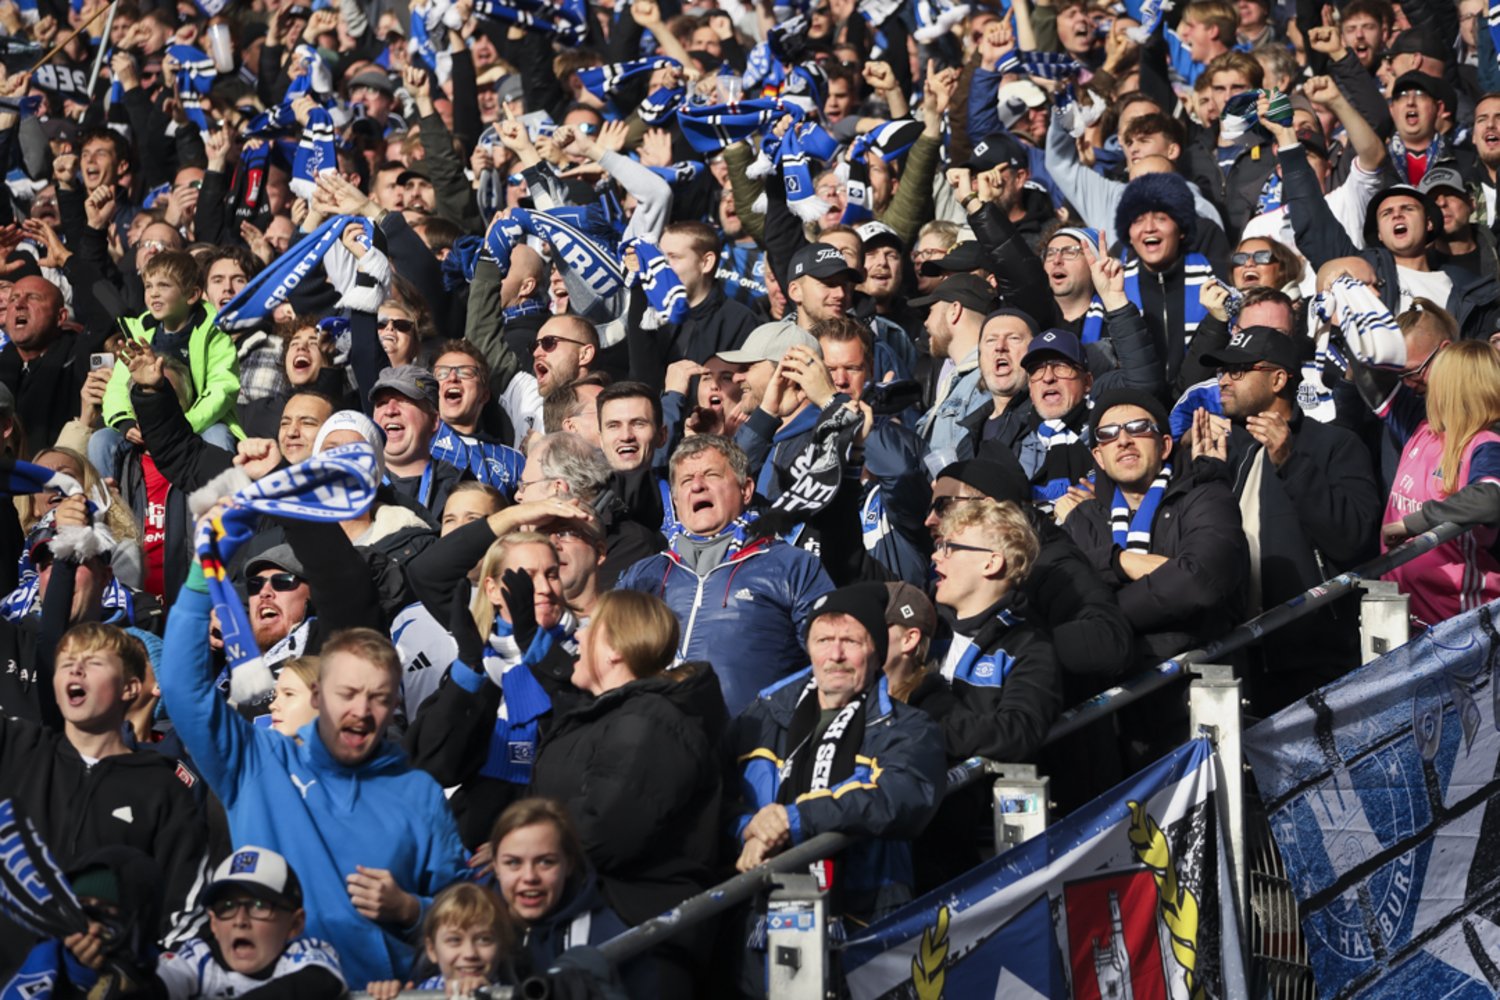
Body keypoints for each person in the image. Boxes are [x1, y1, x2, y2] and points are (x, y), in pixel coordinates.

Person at [159, 548, 467, 984]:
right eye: (347, 693)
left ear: (396, 704)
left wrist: (410, 909)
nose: (361, 710)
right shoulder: (256, 759)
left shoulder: (419, 793)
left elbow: (465, 915)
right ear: (319, 697)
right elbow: (182, 688)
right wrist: (199, 575)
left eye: (378, 697)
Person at [527, 590, 727, 992]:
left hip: (631, 938)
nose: (579, 639)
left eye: (589, 628)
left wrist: (523, 850)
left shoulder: (651, 721)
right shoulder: (611, 715)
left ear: (616, 648)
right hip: (586, 920)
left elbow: (607, 831)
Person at [730, 582, 946, 923]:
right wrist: (749, 828)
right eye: (823, 641)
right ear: (809, 649)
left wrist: (793, 820)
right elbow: (717, 793)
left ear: (875, 650)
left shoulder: (907, 727)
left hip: (862, 914)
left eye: (850, 641)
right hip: (759, 912)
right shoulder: (762, 715)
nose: (836, 655)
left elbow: (899, 799)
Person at [1192, 326, 1382, 712]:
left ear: (1279, 379)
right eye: (1221, 372)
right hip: (1240, 656)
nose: (1224, 380)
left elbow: (1352, 538)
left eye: (1239, 370)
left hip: (1318, 662)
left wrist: (1291, 463)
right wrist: (1206, 476)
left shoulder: (1337, 444)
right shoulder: (1229, 450)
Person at [0, 622, 209, 964]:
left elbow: (185, 919)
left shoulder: (163, 787)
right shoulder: (17, 749)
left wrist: (128, 966)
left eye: (93, 661)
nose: (75, 668)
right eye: (66, 662)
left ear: (130, 687)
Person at [616, 435, 833, 714]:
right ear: (675, 500)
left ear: (746, 490)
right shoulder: (643, 575)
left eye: (711, 475)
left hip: (753, 747)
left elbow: (831, 658)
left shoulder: (793, 566)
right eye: (685, 481)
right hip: (660, 743)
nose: (697, 486)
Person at [1379, 341, 1500, 630]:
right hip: (1408, 620)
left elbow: (1490, 497)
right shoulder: (1424, 431)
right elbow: (1372, 383)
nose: (1424, 388)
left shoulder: (1487, 445)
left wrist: (1412, 524)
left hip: (1459, 630)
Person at [152, 846, 346, 1000]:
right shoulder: (199, 958)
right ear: (213, 923)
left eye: (258, 906)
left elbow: (319, 981)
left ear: (294, 924)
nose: (240, 920)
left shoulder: (303, 954)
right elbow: (163, 981)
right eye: (227, 907)